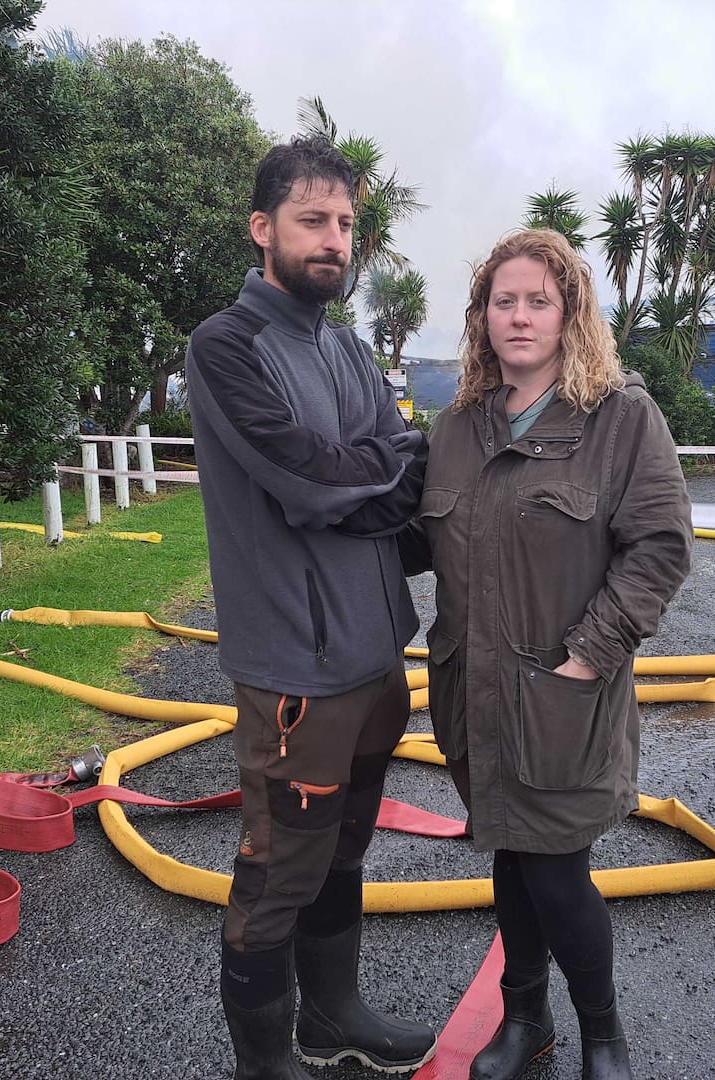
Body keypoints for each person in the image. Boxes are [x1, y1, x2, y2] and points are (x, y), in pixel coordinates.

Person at [409, 229, 693, 1080]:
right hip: (474, 691)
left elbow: (659, 548)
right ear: (482, 316)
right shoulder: (456, 428)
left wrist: (588, 657)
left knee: (558, 872)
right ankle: (524, 1020)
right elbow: (410, 540)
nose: (520, 316)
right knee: (509, 855)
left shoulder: (619, 417)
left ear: (570, 314)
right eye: (504, 301)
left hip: (563, 692)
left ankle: (604, 1035)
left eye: (539, 300)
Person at [185, 136, 436, 1079]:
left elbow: (399, 466)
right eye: (312, 220)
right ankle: (264, 1067)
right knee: (279, 870)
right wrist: (366, 480)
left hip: (378, 660)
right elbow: (307, 479)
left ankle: (333, 1019)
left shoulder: (347, 346)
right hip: (297, 673)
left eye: (345, 223)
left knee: (344, 852)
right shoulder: (225, 347)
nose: (334, 240)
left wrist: (362, 482)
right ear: (263, 228)